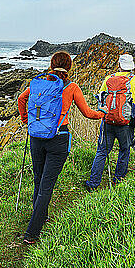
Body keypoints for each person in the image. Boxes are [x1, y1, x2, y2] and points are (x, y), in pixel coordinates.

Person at [18, 51, 104, 244]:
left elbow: (21, 100)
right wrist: (102, 114)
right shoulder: (71, 87)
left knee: (39, 180)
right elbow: (88, 114)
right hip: (58, 139)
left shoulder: (39, 83)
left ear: (51, 64)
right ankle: (32, 233)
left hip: (36, 137)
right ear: (69, 67)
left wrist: (26, 121)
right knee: (47, 186)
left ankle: (41, 216)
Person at [86, 54, 135, 190]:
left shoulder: (109, 79)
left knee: (102, 152)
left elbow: (101, 98)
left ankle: (93, 184)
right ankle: (118, 182)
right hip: (125, 124)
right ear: (132, 67)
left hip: (107, 121)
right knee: (124, 150)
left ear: (119, 65)